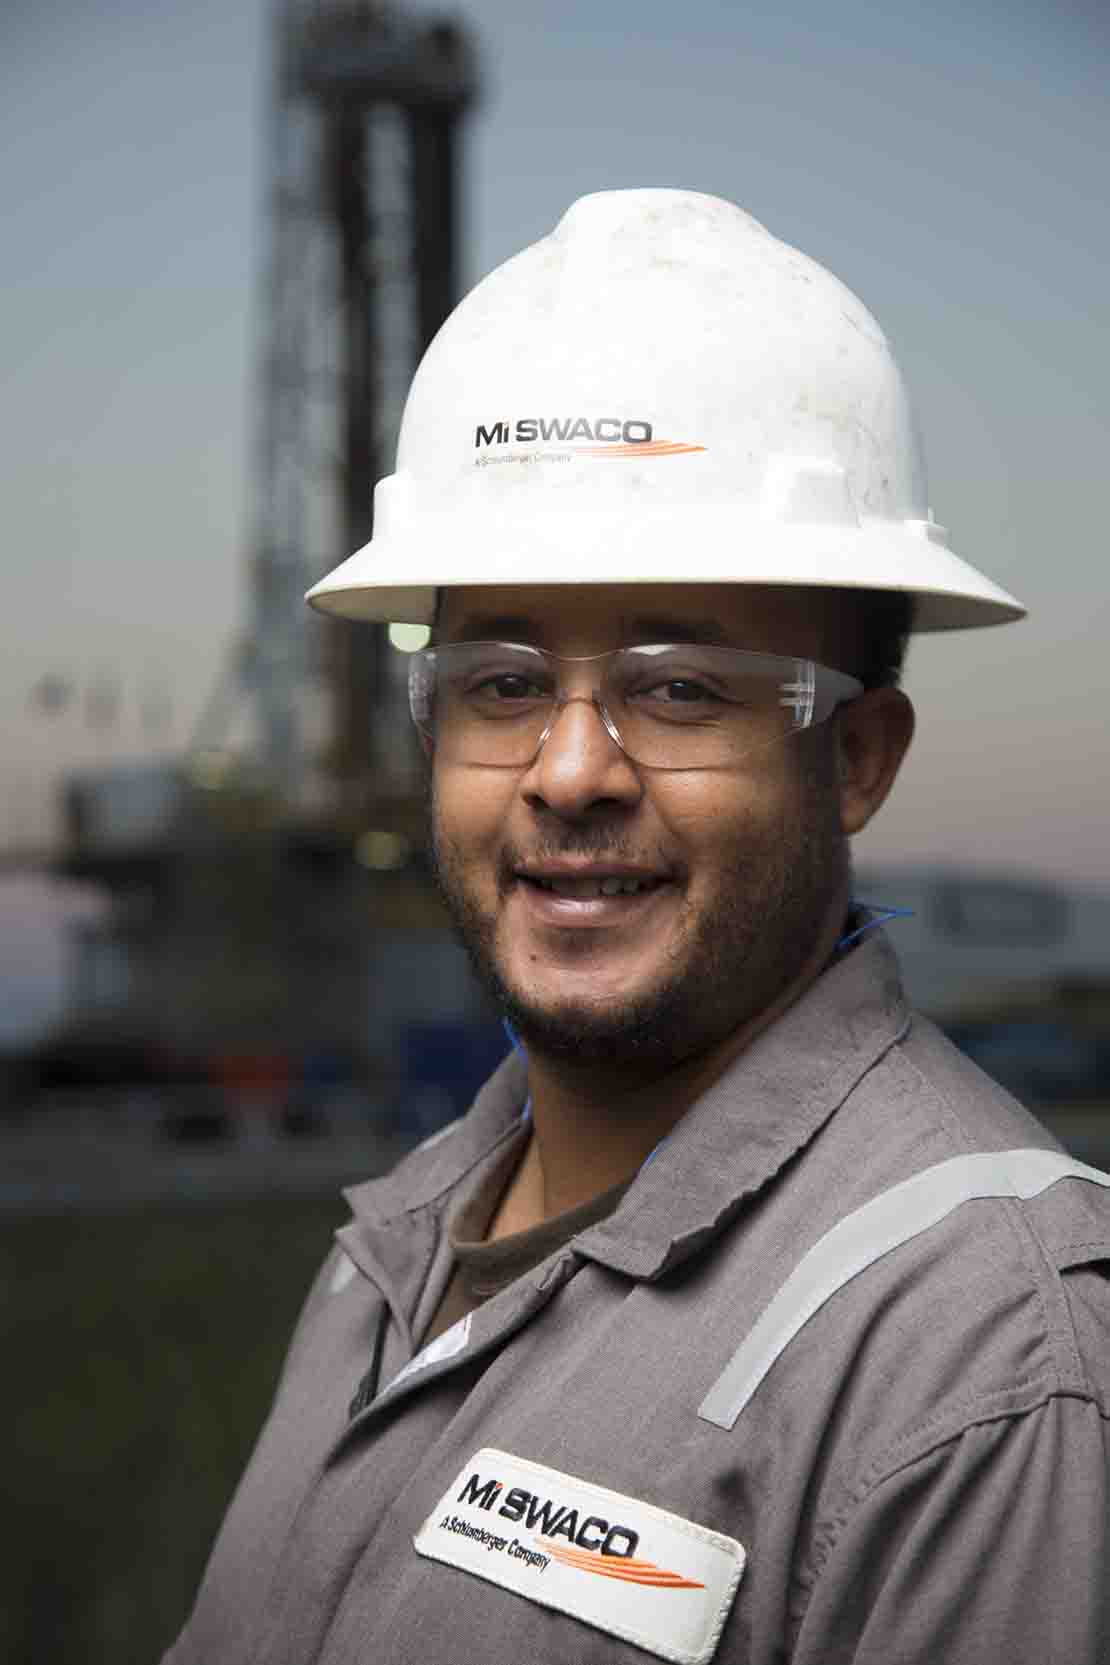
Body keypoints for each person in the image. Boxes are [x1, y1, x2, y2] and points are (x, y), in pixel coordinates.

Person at [164, 190, 1110, 1664]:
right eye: (499, 683)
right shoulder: (388, 1252)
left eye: (678, 687)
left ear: (855, 756)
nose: (568, 769)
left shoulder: (972, 1349)